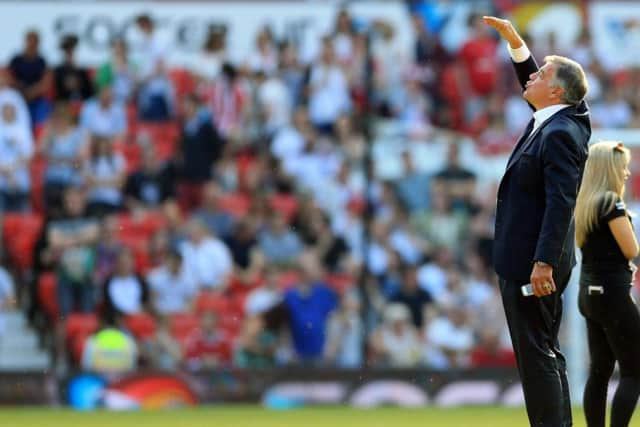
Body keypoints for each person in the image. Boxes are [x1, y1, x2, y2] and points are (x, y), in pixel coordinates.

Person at [484, 16, 591, 427]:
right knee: (543, 351)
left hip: (534, 262)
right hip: (530, 258)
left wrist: (543, 261)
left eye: (542, 74)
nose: (531, 78)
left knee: (536, 356)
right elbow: (536, 81)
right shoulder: (560, 119)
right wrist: (516, 44)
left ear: (557, 92)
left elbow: (561, 202)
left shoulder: (559, 132)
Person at [575, 141, 640, 427]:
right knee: (634, 372)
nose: (626, 173)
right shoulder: (611, 202)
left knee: (599, 372)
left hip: (588, 294)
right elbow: (631, 249)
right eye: (623, 167)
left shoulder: (586, 201)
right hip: (613, 296)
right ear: (609, 169)